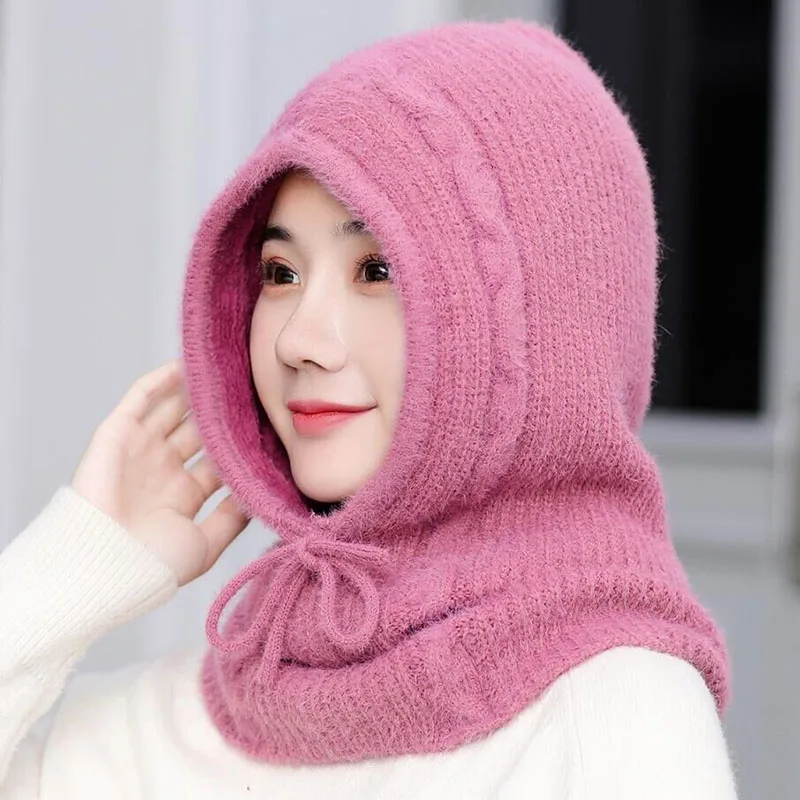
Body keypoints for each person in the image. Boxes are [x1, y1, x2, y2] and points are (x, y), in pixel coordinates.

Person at [0, 18, 740, 798]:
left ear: (548, 322)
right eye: (281, 272)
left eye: (375, 269)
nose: (298, 339)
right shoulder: (142, 734)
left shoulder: (613, 718)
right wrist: (76, 565)